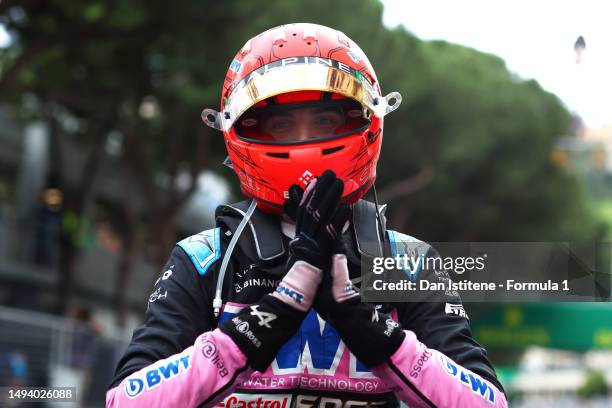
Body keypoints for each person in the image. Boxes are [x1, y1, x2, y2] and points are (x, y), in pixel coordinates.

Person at [106, 23, 508, 408]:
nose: (304, 143)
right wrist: (269, 317)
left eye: (325, 122)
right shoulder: (203, 257)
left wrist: (377, 334)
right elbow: (126, 400)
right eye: (281, 125)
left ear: (367, 119)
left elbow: (487, 402)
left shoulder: (409, 262)